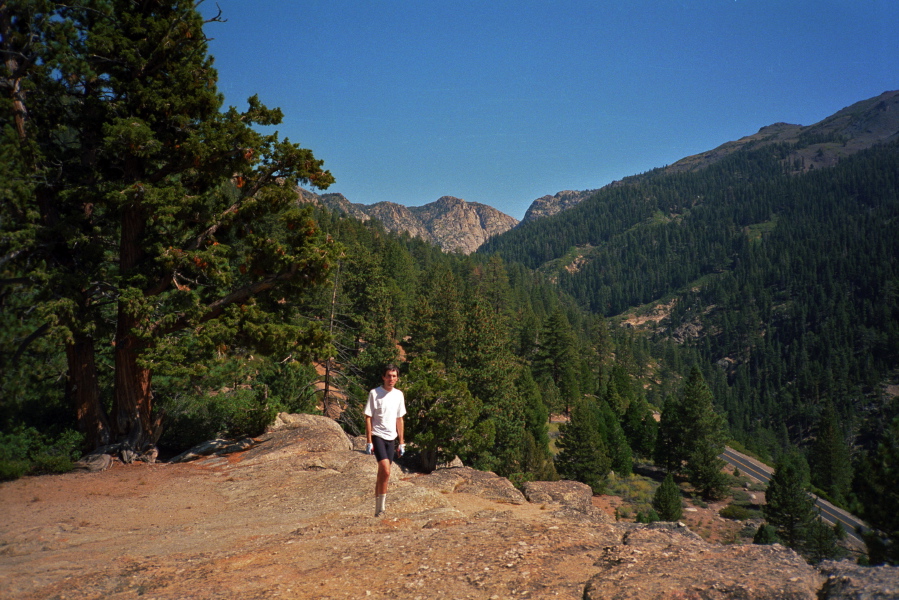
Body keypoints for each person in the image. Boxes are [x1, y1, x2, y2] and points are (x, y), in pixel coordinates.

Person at [364, 364, 406, 517]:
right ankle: (381, 509)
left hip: (391, 437)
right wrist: (369, 441)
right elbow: (368, 417)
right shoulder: (375, 393)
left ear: (397, 378)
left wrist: (402, 442)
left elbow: (399, 419)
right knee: (386, 470)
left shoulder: (399, 395)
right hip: (378, 435)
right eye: (388, 376)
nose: (391, 379)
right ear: (383, 377)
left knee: (383, 474)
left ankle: (378, 509)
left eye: (394, 376)